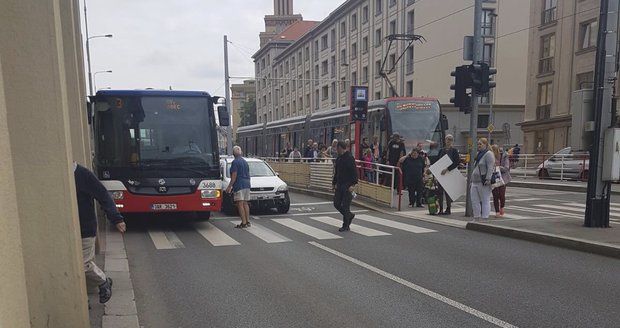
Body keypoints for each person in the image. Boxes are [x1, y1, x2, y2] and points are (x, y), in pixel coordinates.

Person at [74, 163, 126, 304]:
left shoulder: (83, 174)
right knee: (73, 266)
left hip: (85, 228)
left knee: (83, 264)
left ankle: (103, 281)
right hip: (68, 230)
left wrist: (116, 219)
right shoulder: (60, 175)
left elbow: (103, 195)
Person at [332, 141, 358, 232]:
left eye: (337, 148)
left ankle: (346, 225)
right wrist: (334, 183)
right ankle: (349, 215)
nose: (336, 150)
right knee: (336, 203)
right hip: (339, 184)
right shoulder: (339, 158)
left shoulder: (350, 158)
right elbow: (337, 172)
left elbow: (354, 173)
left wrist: (353, 185)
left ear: (341, 148)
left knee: (345, 205)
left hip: (347, 185)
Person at [226, 146, 252, 228]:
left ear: (233, 153)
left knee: (239, 203)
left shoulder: (235, 162)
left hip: (239, 185)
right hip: (247, 184)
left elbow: (234, 176)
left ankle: (243, 222)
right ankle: (248, 221)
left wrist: (229, 186)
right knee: (245, 203)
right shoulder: (245, 162)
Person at [471, 138, 495, 220]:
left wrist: (488, 179)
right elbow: (475, 167)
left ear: (485, 144)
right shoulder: (479, 154)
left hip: (483, 181)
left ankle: (485, 218)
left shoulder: (488, 154)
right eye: (478, 144)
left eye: (480, 144)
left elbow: (490, 167)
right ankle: (476, 216)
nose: (479, 146)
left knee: (485, 200)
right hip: (475, 181)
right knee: (474, 200)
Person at [436, 135, 460, 215]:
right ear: (445, 140)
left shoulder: (454, 151)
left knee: (447, 192)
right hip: (440, 173)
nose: (448, 141)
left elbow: (456, 162)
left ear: (452, 141)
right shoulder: (441, 150)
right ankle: (441, 209)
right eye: (447, 139)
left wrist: (447, 169)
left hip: (449, 173)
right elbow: (438, 161)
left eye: (450, 140)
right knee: (440, 192)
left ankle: (448, 208)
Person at [492, 144, 511, 217]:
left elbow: (506, 168)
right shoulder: (490, 157)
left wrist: (498, 168)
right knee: (495, 195)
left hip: (503, 178)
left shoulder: (504, 156)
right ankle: (497, 212)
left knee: (501, 195)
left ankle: (502, 207)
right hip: (494, 178)